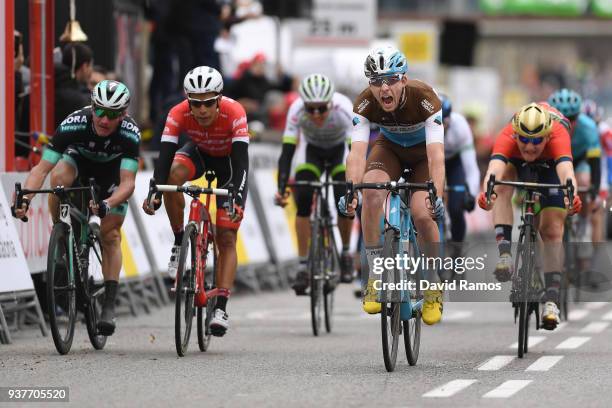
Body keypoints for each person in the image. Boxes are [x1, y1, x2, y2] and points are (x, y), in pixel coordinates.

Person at [12, 80, 139, 336]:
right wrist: (24, 199)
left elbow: (128, 183)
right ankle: (63, 231)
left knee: (111, 235)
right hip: (79, 165)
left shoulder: (129, 132)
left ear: (123, 114)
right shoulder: (74, 123)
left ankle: (109, 304)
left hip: (113, 177)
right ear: (92, 107)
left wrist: (107, 204)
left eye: (113, 114)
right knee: (59, 177)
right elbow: (41, 169)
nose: (104, 119)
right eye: (100, 111)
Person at [342, 46, 446, 325]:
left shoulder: (425, 98)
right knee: (371, 190)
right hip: (389, 149)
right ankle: (376, 274)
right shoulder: (364, 103)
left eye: (390, 80)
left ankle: (433, 284)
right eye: (376, 82)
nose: (383, 88)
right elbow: (357, 152)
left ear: (403, 79)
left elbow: (436, 156)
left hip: (422, 154)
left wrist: (437, 194)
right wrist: (350, 189)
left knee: (422, 213)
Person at [142, 66, 249, 337]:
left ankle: (221, 307)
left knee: (226, 236)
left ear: (219, 99)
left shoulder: (234, 112)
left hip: (229, 166)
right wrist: (155, 190)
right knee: (172, 176)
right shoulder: (177, 112)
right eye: (195, 103)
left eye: (208, 103)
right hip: (199, 154)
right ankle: (180, 240)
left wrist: (236, 197)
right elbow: (164, 157)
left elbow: (241, 163)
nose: (201, 110)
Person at [477, 102, 581, 330]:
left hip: (551, 165)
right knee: (502, 187)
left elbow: (566, 172)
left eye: (536, 141)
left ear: (547, 136)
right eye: (524, 139)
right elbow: (493, 171)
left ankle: (552, 300)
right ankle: (505, 254)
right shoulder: (509, 134)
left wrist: (570, 195)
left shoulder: (558, 134)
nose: (530, 146)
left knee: (552, 230)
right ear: (516, 134)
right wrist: (487, 192)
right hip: (516, 163)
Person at [274, 73, 355, 294]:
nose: (316, 114)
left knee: (344, 198)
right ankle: (302, 266)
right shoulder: (296, 110)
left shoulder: (344, 108)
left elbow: (354, 152)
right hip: (311, 153)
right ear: (304, 105)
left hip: (340, 152)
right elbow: (287, 152)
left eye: (321, 108)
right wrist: (281, 188)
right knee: (303, 200)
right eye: (311, 109)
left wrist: (354, 187)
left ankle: (346, 253)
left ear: (331, 102)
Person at [548, 89, 603, 275]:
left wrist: (593, 190)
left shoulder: (588, 128)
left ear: (578, 116)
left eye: (572, 118)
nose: (568, 123)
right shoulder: (547, 124)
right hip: (554, 159)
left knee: (584, 181)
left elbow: (595, 161)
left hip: (578, 160)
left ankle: (584, 225)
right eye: (563, 117)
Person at [440, 94, 479, 243]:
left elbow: (471, 167)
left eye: (444, 123)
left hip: (454, 162)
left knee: (456, 208)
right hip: (430, 159)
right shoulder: (422, 126)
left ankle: (457, 252)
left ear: (450, 118)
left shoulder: (461, 127)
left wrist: (471, 193)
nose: (441, 127)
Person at [54, 42, 94, 128]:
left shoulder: (44, 89)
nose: (91, 71)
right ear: (84, 66)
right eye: (90, 65)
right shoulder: (82, 101)